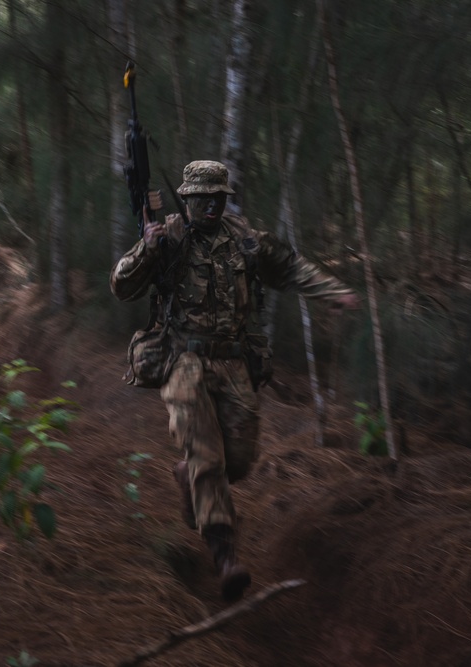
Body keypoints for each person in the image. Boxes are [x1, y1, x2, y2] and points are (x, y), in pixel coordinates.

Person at [110, 160, 359, 602]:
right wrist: (147, 248)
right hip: (184, 364)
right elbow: (121, 286)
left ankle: (190, 475)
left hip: (233, 365)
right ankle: (225, 556)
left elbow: (292, 268)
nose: (211, 206)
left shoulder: (244, 241)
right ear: (187, 199)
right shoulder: (167, 238)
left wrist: (333, 291)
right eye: (203, 198)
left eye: (218, 198)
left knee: (238, 462)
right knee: (207, 455)